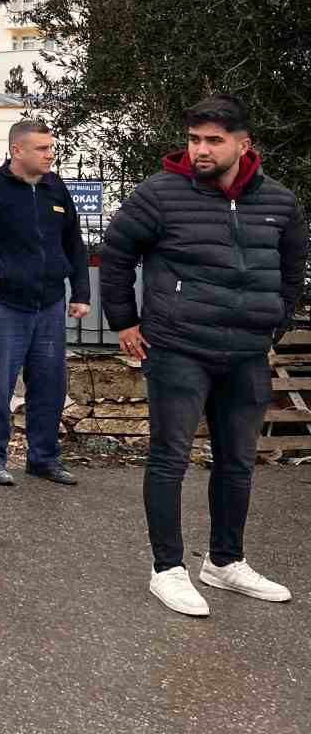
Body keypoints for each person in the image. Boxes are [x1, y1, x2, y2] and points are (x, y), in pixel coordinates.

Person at [99, 94, 306, 617]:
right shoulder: (161, 194)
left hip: (246, 355)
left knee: (237, 463)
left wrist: (274, 319)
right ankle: (167, 568)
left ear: (243, 144)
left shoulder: (278, 203)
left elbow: (292, 267)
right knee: (169, 459)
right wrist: (124, 320)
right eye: (194, 139)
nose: (200, 150)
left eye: (213, 140)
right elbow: (117, 252)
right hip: (179, 349)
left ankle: (225, 562)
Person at [0, 120, 92, 487]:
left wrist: (81, 292)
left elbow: (73, 242)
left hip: (48, 305)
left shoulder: (55, 188)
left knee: (50, 384)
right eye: (42, 149)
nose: (50, 154)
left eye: (51, 147)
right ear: (17, 151)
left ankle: (44, 458)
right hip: (3, 305)